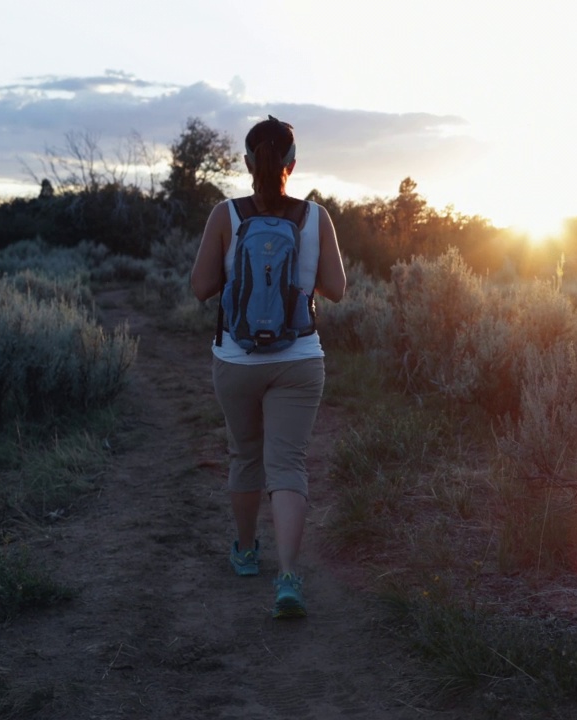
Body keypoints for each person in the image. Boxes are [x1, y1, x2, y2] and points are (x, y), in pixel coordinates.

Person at [190, 115, 346, 618]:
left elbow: (200, 288)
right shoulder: (316, 216)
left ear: (247, 162)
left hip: (235, 358)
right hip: (299, 359)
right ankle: (288, 578)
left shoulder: (225, 214)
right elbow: (337, 290)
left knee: (245, 457)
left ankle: (244, 553)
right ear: (292, 165)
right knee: (288, 465)